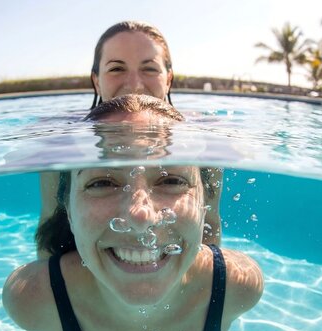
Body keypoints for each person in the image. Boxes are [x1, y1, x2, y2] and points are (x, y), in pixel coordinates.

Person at [4, 95, 263, 331]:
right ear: (68, 211)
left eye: (172, 180)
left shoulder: (237, 285)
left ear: (204, 204)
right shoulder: (33, 300)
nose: (141, 217)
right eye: (102, 183)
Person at [39, 22, 222, 258]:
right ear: (96, 80)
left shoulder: (203, 136)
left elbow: (210, 223)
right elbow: (50, 228)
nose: (134, 85)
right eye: (116, 69)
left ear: (168, 79)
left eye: (149, 69)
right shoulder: (61, 139)